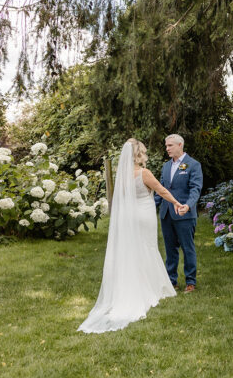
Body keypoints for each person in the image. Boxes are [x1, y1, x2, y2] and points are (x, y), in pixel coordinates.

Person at [79, 139, 180, 333]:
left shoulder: (123, 176)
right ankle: (153, 288)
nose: (145, 155)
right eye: (143, 152)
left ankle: (141, 284)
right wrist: (176, 202)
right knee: (148, 247)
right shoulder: (144, 173)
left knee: (137, 248)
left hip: (132, 217)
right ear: (138, 154)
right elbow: (161, 190)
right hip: (145, 215)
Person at [155, 134, 203, 292]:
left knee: (187, 248)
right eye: (166, 146)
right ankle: (171, 281)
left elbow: (195, 189)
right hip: (166, 214)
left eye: (170, 145)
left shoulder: (193, 165)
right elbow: (161, 190)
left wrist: (188, 206)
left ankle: (191, 282)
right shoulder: (166, 166)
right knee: (170, 249)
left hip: (184, 215)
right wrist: (150, 206)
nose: (167, 148)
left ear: (180, 145)